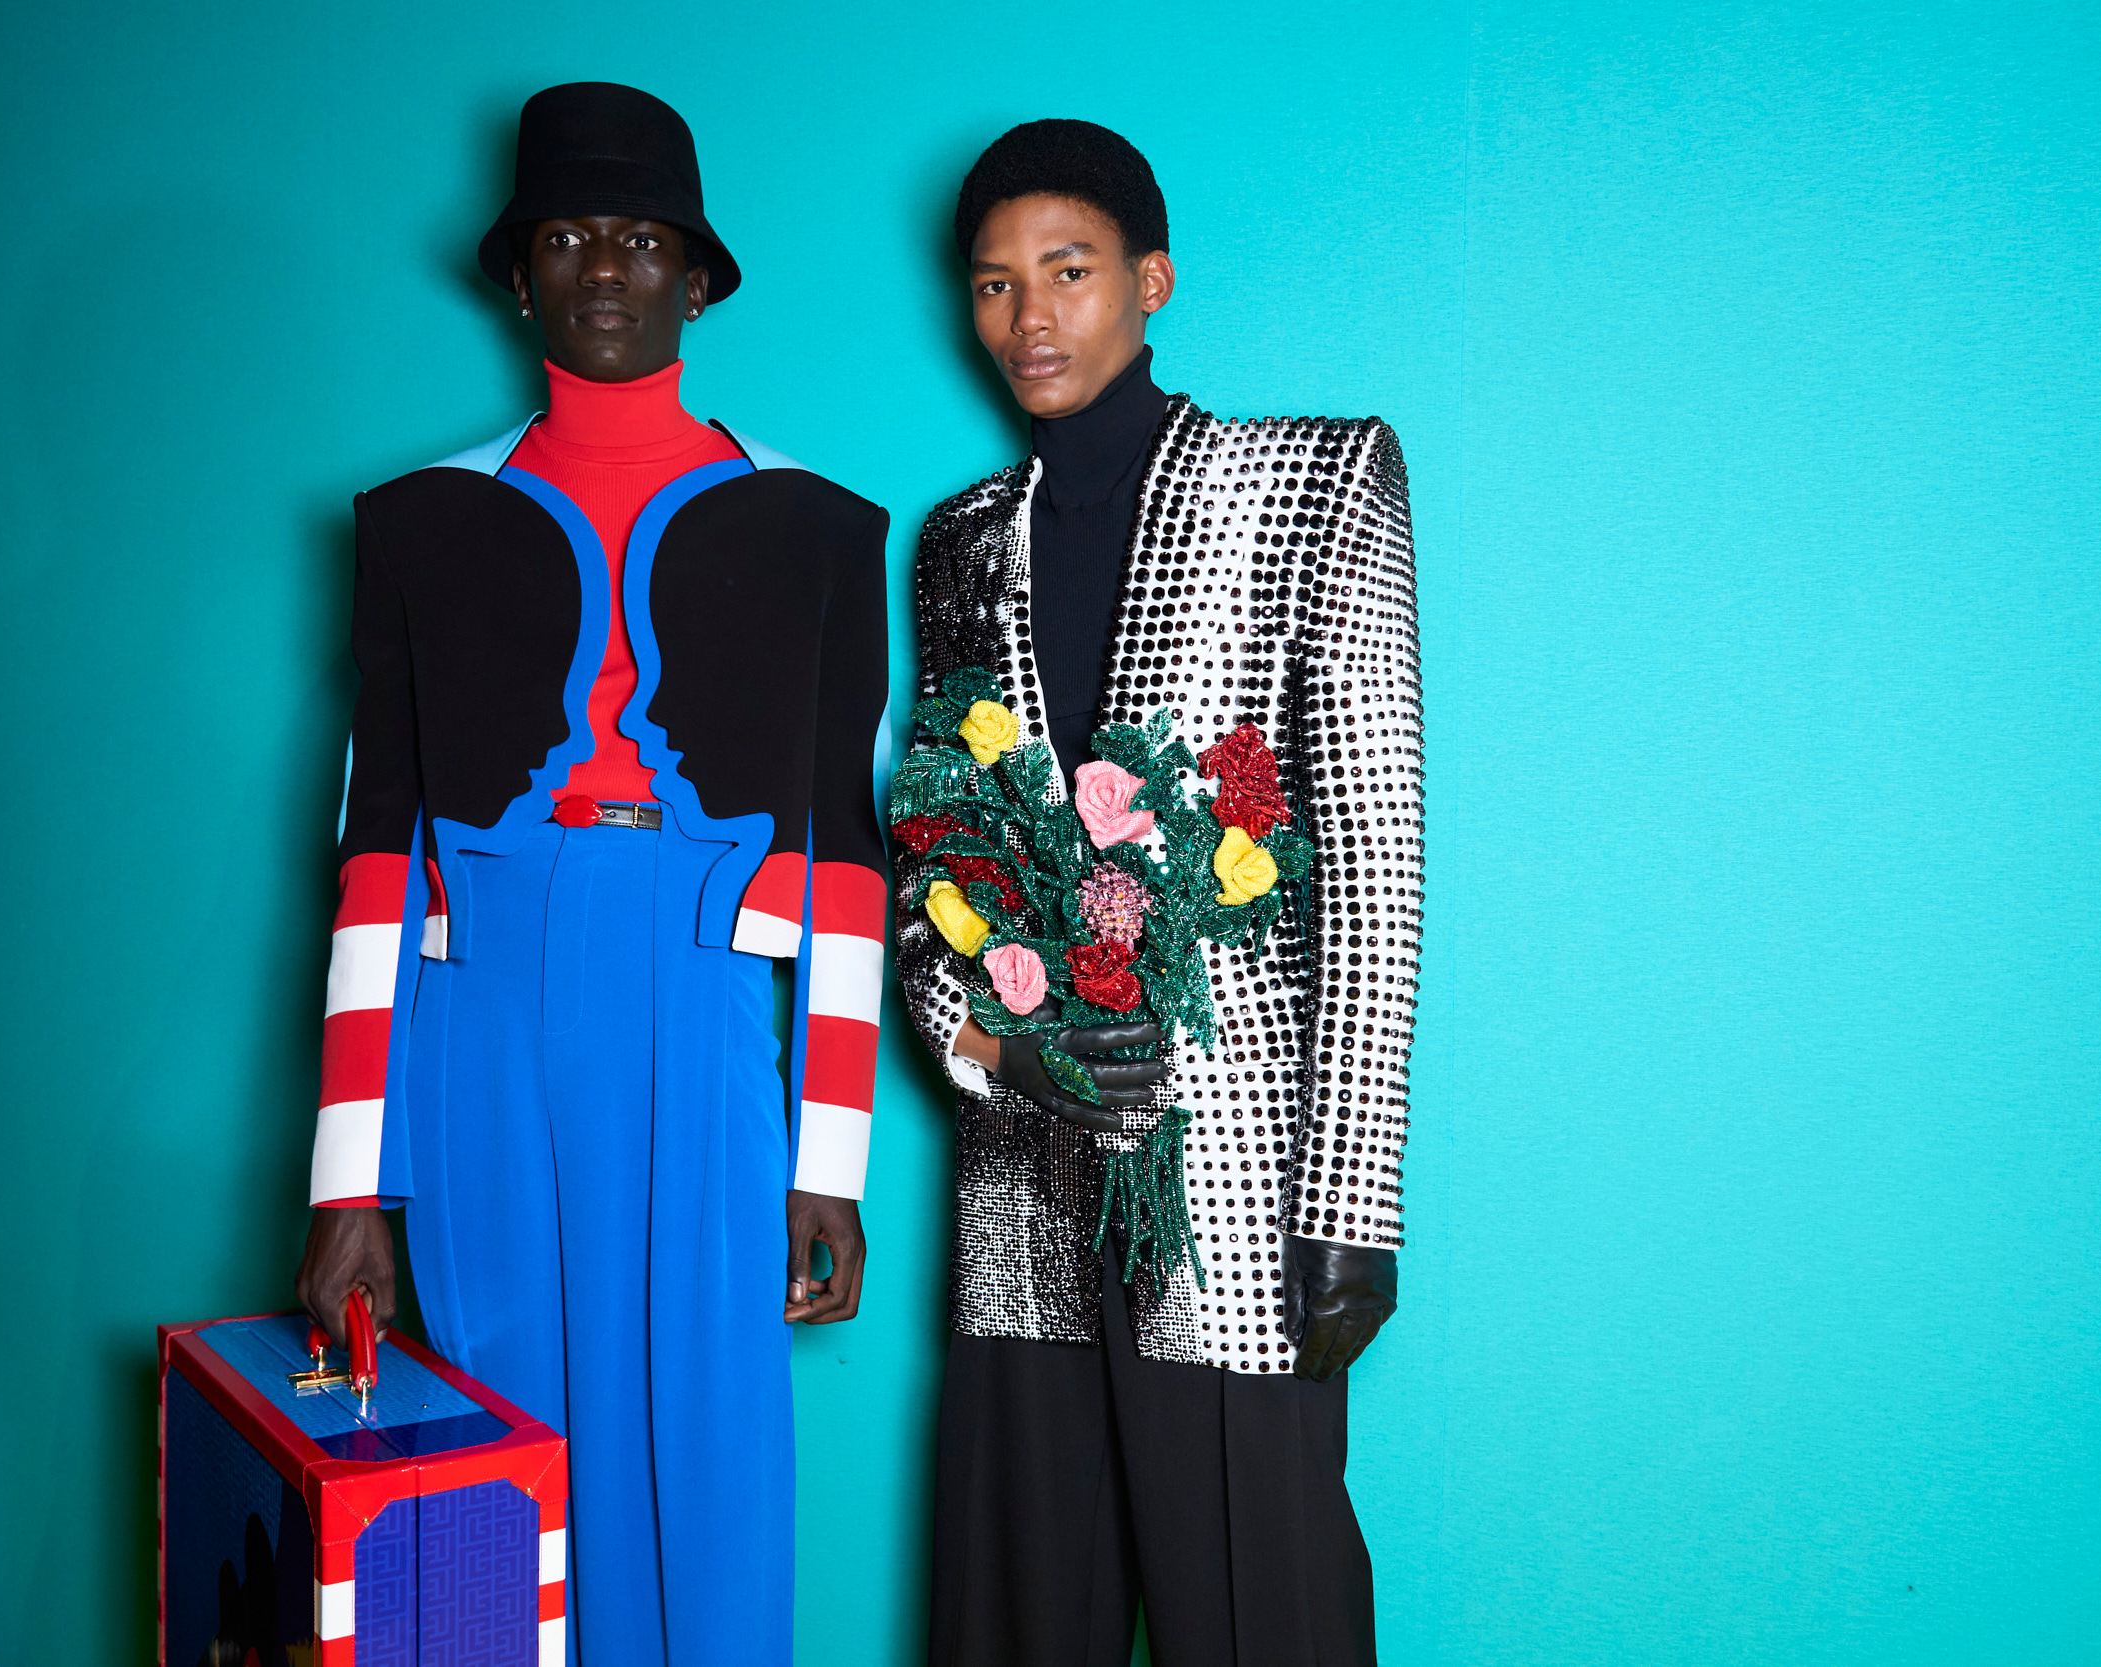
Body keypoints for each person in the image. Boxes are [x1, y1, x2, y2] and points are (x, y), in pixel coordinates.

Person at [289, 84, 891, 1665]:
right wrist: (346, 1181)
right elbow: (370, 858)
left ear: (698, 279)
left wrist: (829, 1154)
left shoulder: (816, 528)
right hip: (472, 1001)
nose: (605, 266)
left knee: (707, 1435)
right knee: (496, 1419)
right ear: (519, 274)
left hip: (699, 1007)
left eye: (643, 239)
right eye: (567, 235)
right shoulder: (423, 524)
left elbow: (841, 858)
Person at [895, 121, 1423, 1666]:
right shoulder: (957, 546)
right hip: (1018, 1178)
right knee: (1020, 1614)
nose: (1029, 318)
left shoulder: (1319, 481)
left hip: (1244, 1185)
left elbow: (1376, 862)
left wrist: (1350, 1209)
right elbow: (939, 863)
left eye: (1067, 271)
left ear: (1153, 281)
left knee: (1262, 1612)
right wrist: (990, 1047)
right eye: (993, 285)